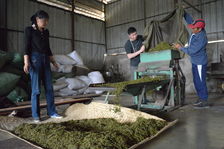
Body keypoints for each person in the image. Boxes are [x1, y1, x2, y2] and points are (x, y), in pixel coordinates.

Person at [23, 10, 62, 122]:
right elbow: (26, 47)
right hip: (35, 60)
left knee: (49, 88)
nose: (45, 23)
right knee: (36, 90)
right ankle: (36, 116)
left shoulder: (46, 32)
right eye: (43, 20)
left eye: (46, 20)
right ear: (37, 19)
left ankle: (52, 112)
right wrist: (26, 62)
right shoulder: (29, 30)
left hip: (45, 60)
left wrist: (53, 62)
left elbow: (48, 48)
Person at [173, 11, 209, 109]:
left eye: (194, 28)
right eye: (192, 28)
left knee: (200, 81)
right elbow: (191, 21)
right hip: (195, 62)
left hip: (200, 63)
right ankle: (200, 98)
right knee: (196, 81)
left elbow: (192, 51)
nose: (192, 29)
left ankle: (204, 100)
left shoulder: (201, 38)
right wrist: (183, 13)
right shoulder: (197, 28)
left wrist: (180, 47)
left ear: (200, 29)